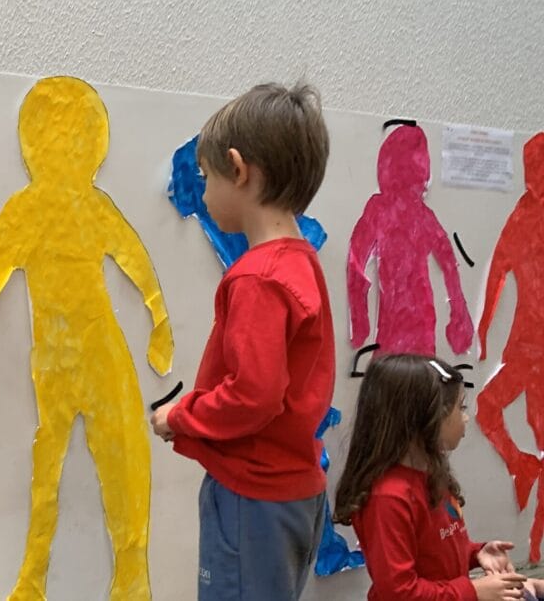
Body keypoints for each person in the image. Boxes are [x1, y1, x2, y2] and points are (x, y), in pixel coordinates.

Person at [151, 82, 334, 600]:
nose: (205, 194)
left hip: (252, 496)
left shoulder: (258, 276)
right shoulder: (301, 262)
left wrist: (181, 417)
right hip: (293, 491)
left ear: (238, 169)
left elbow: (254, 394)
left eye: (206, 178)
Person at [335, 354, 538, 601]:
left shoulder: (430, 474)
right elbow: (398, 593)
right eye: (460, 407)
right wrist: (473, 591)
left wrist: (477, 552)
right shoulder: (387, 498)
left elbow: (435, 552)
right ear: (428, 418)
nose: (465, 417)